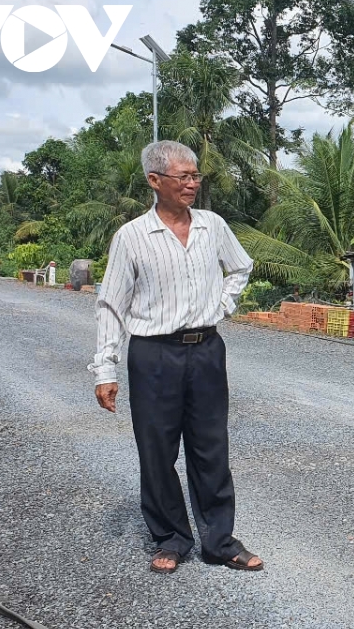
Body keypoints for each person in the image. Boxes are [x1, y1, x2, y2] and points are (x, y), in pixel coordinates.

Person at [90, 140, 263, 574]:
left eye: (195, 176)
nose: (192, 184)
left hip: (206, 351)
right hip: (153, 355)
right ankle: (171, 537)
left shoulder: (212, 226)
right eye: (183, 177)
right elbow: (111, 304)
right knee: (157, 450)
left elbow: (241, 266)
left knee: (211, 449)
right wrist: (105, 369)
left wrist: (223, 305)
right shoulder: (131, 237)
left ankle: (220, 541)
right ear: (155, 181)